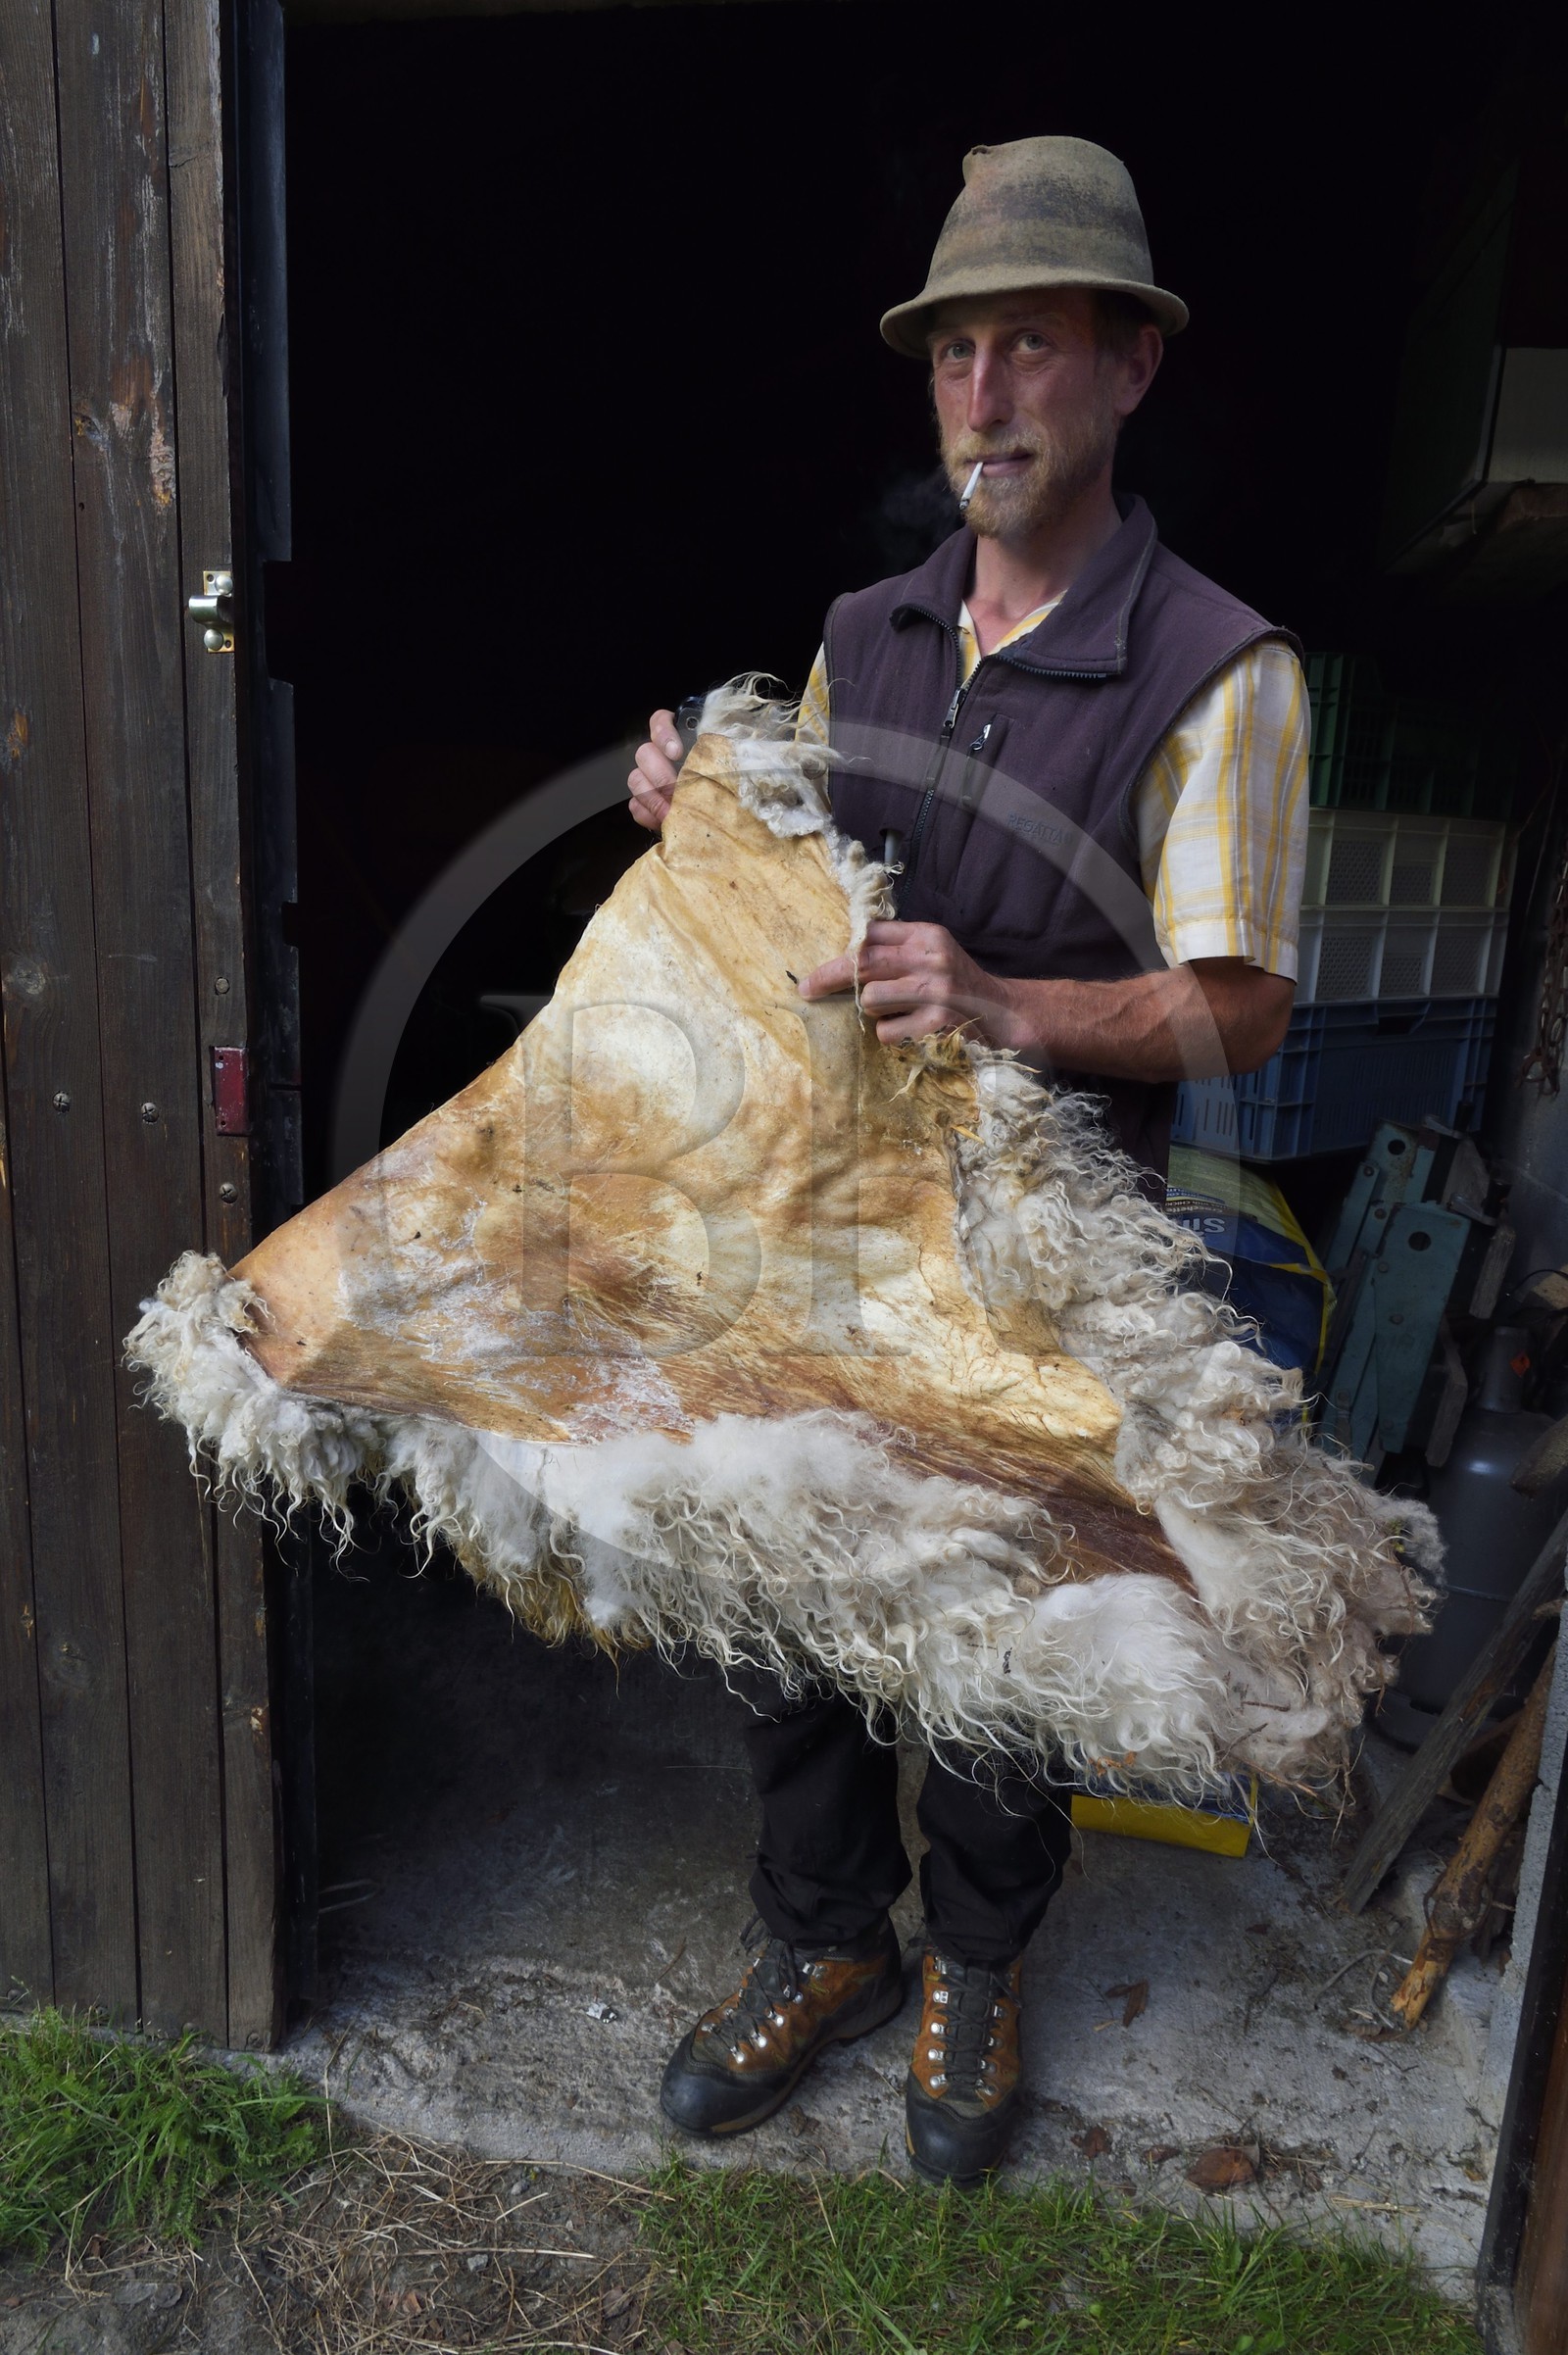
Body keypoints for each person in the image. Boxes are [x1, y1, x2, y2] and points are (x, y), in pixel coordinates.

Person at [625, 134, 1307, 2187]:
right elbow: (806, 908)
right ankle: (826, 1937)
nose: (986, 394)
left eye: (1032, 347)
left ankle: (976, 1959)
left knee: (998, 1627)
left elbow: (1242, 1004)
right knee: (793, 1577)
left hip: (1045, 1241)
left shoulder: (1219, 667)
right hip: (833, 1217)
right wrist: (706, 812)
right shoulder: (866, 625)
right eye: (954, 357)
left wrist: (1006, 999)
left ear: (1126, 372)